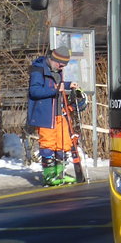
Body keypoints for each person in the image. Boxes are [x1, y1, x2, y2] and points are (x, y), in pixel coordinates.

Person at [27, 45, 78, 187]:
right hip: (44, 114)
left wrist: (68, 85)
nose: (62, 68)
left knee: (63, 143)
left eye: (64, 66)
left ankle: (60, 173)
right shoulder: (38, 70)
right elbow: (35, 91)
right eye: (61, 64)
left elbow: (58, 84)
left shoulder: (57, 70)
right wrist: (54, 89)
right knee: (48, 144)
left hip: (59, 113)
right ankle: (49, 175)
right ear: (53, 59)